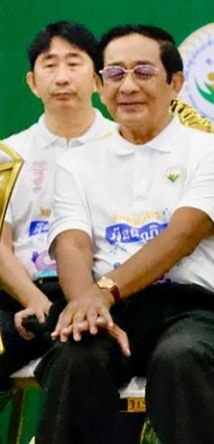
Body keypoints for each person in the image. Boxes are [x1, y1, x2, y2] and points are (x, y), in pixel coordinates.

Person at [35, 24, 214, 444]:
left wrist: (103, 292)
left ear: (175, 83)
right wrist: (87, 307)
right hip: (111, 310)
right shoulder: (77, 164)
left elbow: (182, 235)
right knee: (75, 358)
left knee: (181, 358)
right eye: (115, 74)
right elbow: (72, 242)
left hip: (197, 310)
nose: (128, 86)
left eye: (144, 72)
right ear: (99, 84)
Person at [0, 22, 116, 377]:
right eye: (50, 65)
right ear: (32, 83)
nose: (62, 77)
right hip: (23, 296)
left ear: (97, 80)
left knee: (87, 360)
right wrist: (33, 299)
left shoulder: (125, 148)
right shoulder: (8, 156)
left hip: (104, 297)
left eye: (74, 63)